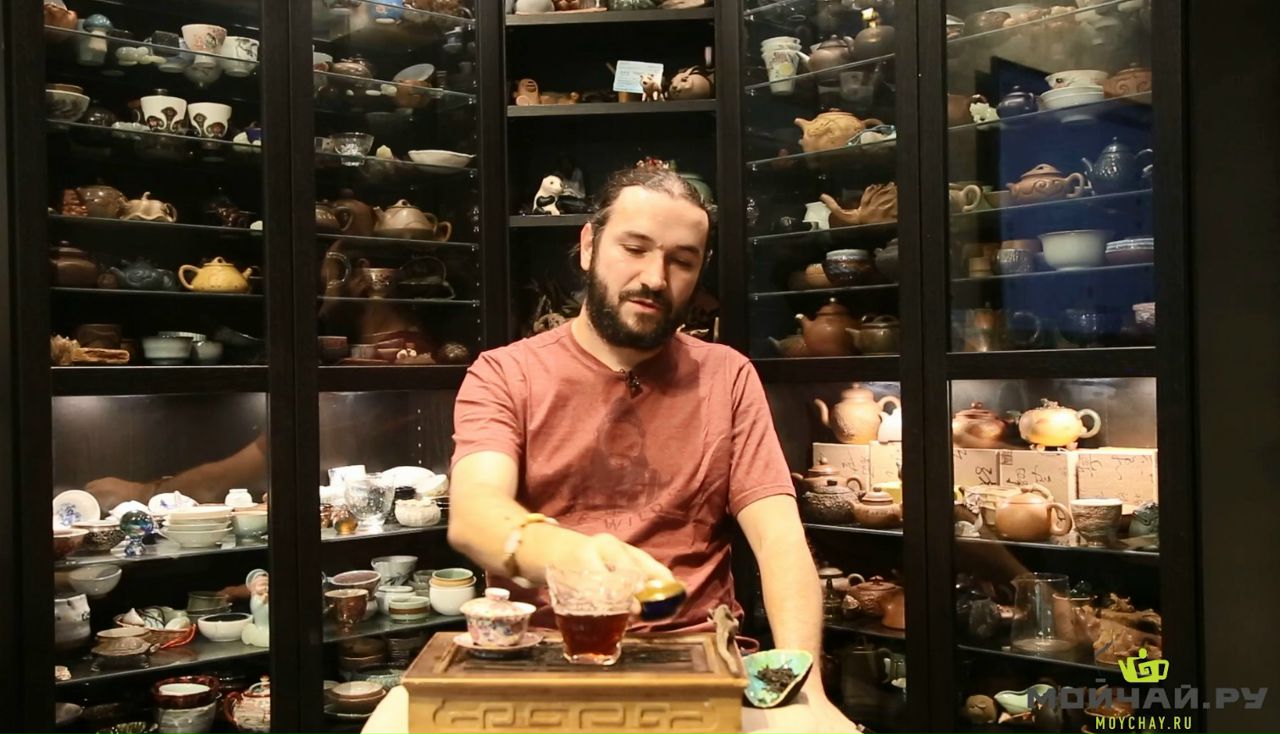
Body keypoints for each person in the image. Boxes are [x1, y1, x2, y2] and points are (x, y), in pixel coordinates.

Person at [447, 166, 859, 732]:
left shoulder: (727, 376)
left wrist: (806, 691)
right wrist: (574, 557)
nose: (655, 278)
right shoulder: (506, 374)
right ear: (589, 246)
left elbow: (780, 541)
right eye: (634, 248)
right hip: (543, 658)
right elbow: (474, 514)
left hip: (698, 659)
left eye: (682, 261)